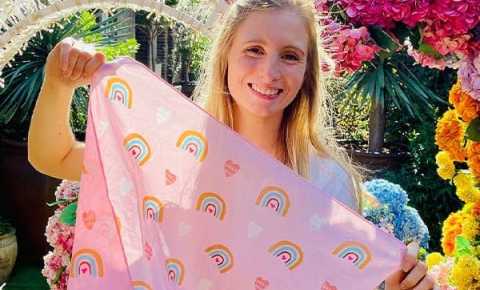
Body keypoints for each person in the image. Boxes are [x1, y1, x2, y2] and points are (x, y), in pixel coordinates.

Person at [28, 0, 434, 289]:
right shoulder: (177, 151)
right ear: (225, 58)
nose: (269, 71)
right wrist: (58, 84)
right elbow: (54, 156)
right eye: (253, 50)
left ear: (308, 71)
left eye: (290, 56)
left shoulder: (327, 180)